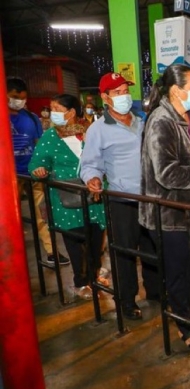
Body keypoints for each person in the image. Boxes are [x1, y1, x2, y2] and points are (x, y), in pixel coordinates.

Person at [139, 63, 190, 349]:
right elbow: (167, 173)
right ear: (175, 90)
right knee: (177, 276)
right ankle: (186, 329)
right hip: (170, 215)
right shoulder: (161, 121)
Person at [80, 72, 160, 320]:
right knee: (124, 254)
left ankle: (157, 293)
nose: (124, 96)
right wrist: (92, 178)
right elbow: (89, 164)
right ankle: (126, 301)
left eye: (126, 91)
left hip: (151, 198)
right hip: (122, 200)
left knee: (154, 249)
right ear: (105, 98)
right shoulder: (98, 130)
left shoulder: (143, 121)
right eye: (118, 92)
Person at [28, 94, 106, 300]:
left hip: (94, 198)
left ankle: (94, 276)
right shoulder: (50, 137)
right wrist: (39, 170)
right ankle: (80, 283)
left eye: (57, 109)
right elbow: (35, 162)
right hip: (66, 200)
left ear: (71, 112)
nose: (52, 113)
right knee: (74, 243)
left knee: (96, 241)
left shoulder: (91, 131)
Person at [8, 77, 70, 266]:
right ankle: (9, 257)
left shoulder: (31, 118)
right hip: (8, 179)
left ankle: (52, 252)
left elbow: (39, 146)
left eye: (23, 98)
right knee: (9, 219)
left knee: (43, 215)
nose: (19, 102)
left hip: (33, 174)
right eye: (14, 97)